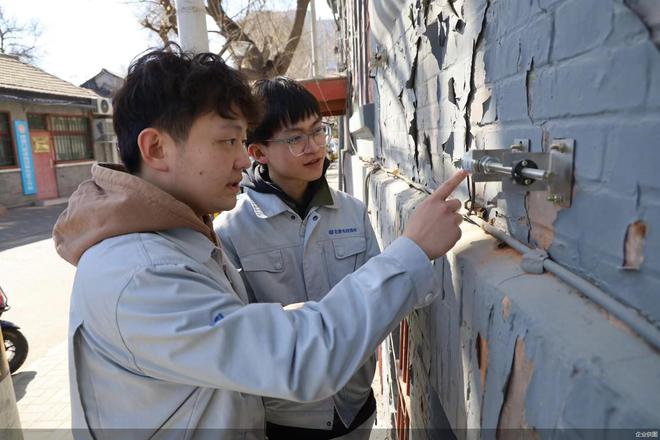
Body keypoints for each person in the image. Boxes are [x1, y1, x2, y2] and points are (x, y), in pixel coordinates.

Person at [52, 45, 466, 440]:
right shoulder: (145, 272)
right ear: (157, 148)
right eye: (227, 141)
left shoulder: (179, 242)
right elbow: (298, 358)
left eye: (317, 132)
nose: (243, 160)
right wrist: (411, 250)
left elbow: (250, 335)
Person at [214, 77, 379, 439]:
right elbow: (241, 333)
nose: (314, 147)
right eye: (295, 138)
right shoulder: (231, 229)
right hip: (286, 419)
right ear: (258, 153)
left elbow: (377, 301)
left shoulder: (352, 211)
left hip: (356, 407)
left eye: (318, 131)